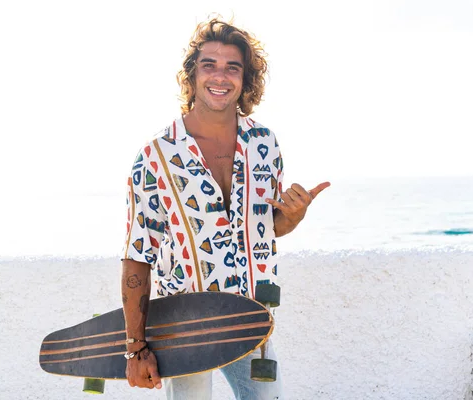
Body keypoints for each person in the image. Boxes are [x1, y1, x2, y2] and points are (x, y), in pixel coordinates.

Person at [120, 16, 330, 400]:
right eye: (209, 65)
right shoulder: (156, 156)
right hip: (183, 322)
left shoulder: (264, 143)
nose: (220, 76)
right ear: (192, 75)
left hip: (249, 315)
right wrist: (136, 347)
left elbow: (263, 227)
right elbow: (138, 254)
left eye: (232, 67)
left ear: (245, 79)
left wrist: (293, 217)